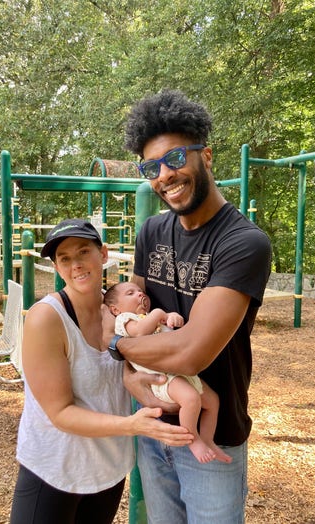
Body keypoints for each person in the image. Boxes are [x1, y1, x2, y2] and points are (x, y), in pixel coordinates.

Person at [105, 89, 272, 523]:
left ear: (206, 156)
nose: (164, 175)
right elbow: (133, 311)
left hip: (212, 430)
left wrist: (118, 351)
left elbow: (190, 352)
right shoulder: (151, 232)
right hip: (154, 421)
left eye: (175, 158)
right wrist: (131, 380)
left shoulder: (243, 243)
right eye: (151, 167)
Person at [10, 218, 193, 524]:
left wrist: (136, 381)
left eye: (83, 252)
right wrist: (133, 425)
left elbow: (127, 367)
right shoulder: (47, 319)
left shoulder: (121, 313)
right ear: (57, 268)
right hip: (55, 469)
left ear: (103, 255)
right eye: (64, 259)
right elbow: (61, 413)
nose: (76, 265)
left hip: (107, 470)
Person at [103, 281, 232, 464]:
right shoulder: (125, 320)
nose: (139, 294)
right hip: (163, 378)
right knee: (191, 399)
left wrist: (170, 317)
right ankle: (193, 439)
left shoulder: (148, 317)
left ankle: (208, 438)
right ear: (115, 309)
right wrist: (158, 313)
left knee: (212, 401)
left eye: (140, 291)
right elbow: (140, 333)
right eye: (130, 293)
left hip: (179, 371)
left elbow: (167, 332)